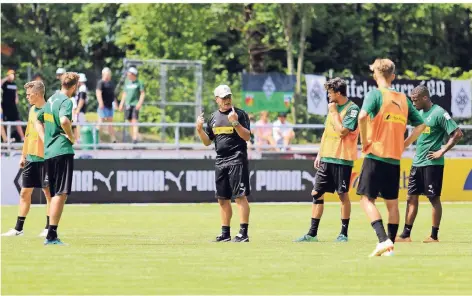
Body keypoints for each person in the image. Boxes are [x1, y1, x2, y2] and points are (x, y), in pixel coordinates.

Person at [357, 58, 425, 257]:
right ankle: (390, 247)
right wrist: (404, 144)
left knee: (366, 200)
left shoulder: (374, 95)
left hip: (375, 154)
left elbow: (362, 117)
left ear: (375, 75)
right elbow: (420, 125)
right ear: (393, 76)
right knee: (392, 204)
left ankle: (382, 240)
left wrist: (364, 141)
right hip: (394, 159)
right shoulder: (403, 99)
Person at [295, 77, 359, 243]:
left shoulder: (352, 109)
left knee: (342, 195)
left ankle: (343, 233)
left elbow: (342, 131)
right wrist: (319, 154)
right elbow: (326, 132)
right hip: (327, 157)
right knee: (317, 193)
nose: (328, 95)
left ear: (338, 93)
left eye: (330, 92)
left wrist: (333, 112)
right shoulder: (333, 108)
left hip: (342, 158)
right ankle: (312, 234)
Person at [397, 85, 463, 243]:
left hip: (433, 163)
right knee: (411, 197)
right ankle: (406, 235)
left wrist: (442, 151)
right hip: (417, 162)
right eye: (411, 101)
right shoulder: (418, 114)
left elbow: (458, 133)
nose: (413, 104)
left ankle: (434, 235)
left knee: (433, 198)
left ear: (425, 98)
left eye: (415, 100)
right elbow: (414, 134)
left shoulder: (439, 113)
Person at [196, 84, 252, 242]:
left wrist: (235, 123)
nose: (227, 100)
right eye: (224, 98)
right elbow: (208, 142)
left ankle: (243, 233)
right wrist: (200, 130)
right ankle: (225, 233)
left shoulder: (239, 114)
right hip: (220, 160)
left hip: (237, 159)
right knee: (222, 198)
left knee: (240, 196)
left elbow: (247, 136)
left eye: (229, 97)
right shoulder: (213, 117)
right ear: (217, 100)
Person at [2, 81, 52, 237]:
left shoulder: (49, 111)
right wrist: (23, 155)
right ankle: (18, 229)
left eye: (29, 95)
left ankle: (49, 228)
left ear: (37, 94)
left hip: (46, 158)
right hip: (31, 158)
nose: (27, 97)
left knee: (49, 194)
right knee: (24, 193)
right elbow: (28, 134)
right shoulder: (31, 110)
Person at [37, 72, 78, 245]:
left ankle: (50, 233)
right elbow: (64, 121)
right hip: (62, 150)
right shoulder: (66, 101)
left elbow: (37, 120)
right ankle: (51, 235)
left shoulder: (52, 99)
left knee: (54, 194)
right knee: (61, 194)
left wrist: (44, 138)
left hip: (49, 152)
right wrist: (71, 137)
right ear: (74, 86)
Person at [118, 67, 145, 144]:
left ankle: (135, 139)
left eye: (129, 73)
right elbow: (124, 94)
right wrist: (121, 104)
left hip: (135, 104)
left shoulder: (139, 82)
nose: (128, 75)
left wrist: (139, 103)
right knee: (130, 121)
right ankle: (135, 136)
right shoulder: (127, 82)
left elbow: (142, 93)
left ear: (133, 74)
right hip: (128, 104)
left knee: (134, 121)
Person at [1, 69, 25, 141]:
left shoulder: (14, 84)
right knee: (4, 123)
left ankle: (23, 137)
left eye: (13, 74)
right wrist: (7, 78)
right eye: (11, 74)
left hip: (13, 106)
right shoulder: (5, 83)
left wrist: (16, 98)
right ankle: (6, 139)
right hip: (5, 106)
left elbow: (16, 93)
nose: (13, 76)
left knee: (17, 121)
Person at [96, 67, 117, 142]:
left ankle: (113, 139)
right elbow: (98, 93)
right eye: (107, 74)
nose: (109, 75)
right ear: (104, 74)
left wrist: (116, 103)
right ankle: (97, 139)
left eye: (109, 74)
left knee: (110, 123)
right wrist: (101, 103)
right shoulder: (100, 82)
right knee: (100, 122)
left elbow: (113, 95)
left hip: (110, 106)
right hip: (103, 106)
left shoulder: (111, 83)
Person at [72, 73, 88, 143]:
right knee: (79, 124)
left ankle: (81, 139)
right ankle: (80, 139)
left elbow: (81, 99)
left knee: (80, 124)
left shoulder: (82, 88)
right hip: (81, 110)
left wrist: (78, 109)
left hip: (81, 110)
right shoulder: (82, 88)